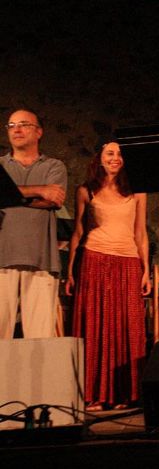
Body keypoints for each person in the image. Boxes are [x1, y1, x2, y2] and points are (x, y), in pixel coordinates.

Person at [67, 141, 150, 411]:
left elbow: (140, 233)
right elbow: (78, 232)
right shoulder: (85, 190)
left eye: (120, 154)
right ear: (100, 158)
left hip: (127, 262)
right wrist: (70, 271)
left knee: (128, 328)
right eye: (110, 153)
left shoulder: (137, 191)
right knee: (96, 327)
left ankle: (126, 394)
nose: (115, 158)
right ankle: (94, 394)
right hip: (94, 260)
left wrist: (146, 271)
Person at [1, 109, 67, 339]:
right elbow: (44, 195)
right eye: (11, 125)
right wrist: (40, 189)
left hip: (42, 260)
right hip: (2, 258)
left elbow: (53, 200)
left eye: (23, 124)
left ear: (39, 132)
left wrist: (8, 195)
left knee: (40, 340)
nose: (16, 130)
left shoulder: (54, 166)